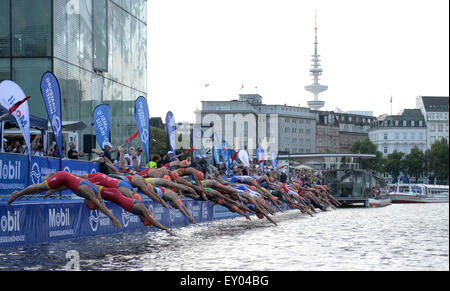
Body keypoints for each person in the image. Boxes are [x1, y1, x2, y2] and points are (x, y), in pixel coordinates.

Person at [8, 171, 122, 229]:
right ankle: (17, 194)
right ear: (90, 201)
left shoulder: (96, 192)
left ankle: (49, 177)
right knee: (39, 188)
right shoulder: (88, 192)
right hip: (62, 177)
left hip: (65, 179)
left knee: (43, 188)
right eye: (87, 204)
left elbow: (68, 185)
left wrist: (53, 191)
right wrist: (112, 218)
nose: (85, 202)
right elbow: (100, 205)